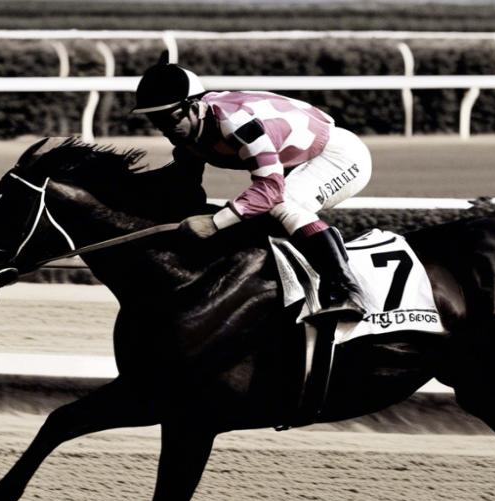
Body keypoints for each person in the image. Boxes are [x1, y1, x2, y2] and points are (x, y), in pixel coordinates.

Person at [131, 61, 373, 318]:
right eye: (156, 121)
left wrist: (214, 223)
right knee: (252, 218)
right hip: (295, 162)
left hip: (339, 156)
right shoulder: (187, 133)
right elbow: (183, 185)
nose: (165, 130)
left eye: (168, 118)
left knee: (283, 204)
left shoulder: (237, 123)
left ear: (194, 106)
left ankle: (347, 292)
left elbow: (269, 189)